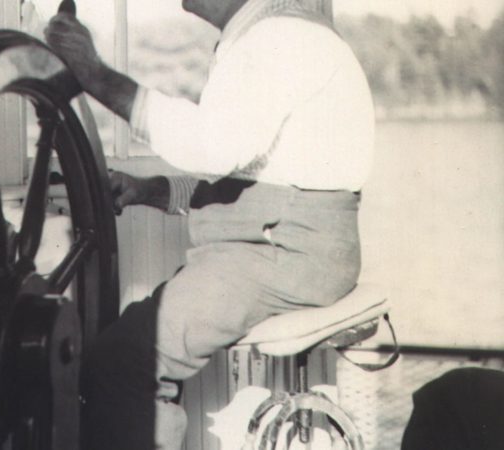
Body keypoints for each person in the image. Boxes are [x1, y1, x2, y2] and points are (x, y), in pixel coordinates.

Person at [45, 0, 375, 448]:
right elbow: (252, 181)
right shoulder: (267, 32)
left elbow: (214, 149)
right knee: (133, 351)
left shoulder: (280, 37)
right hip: (282, 244)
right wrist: (153, 189)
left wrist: (95, 75)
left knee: (121, 361)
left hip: (285, 253)